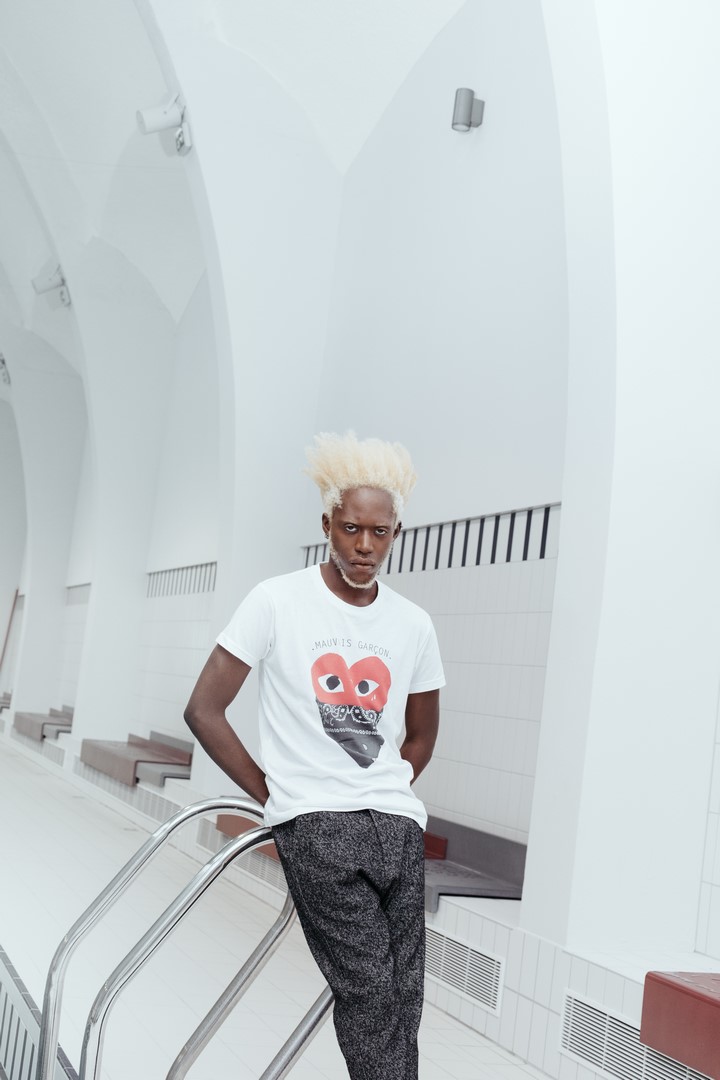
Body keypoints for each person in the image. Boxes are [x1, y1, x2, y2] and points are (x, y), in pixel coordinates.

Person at [184, 431, 445, 1080]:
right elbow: (204, 709)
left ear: (396, 533)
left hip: (396, 825)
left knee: (404, 1000)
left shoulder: (413, 623)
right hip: (318, 823)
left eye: (380, 532)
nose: (364, 546)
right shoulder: (277, 600)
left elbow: (421, 734)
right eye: (351, 528)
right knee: (370, 996)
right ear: (327, 524)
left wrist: (386, 786)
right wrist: (276, 795)